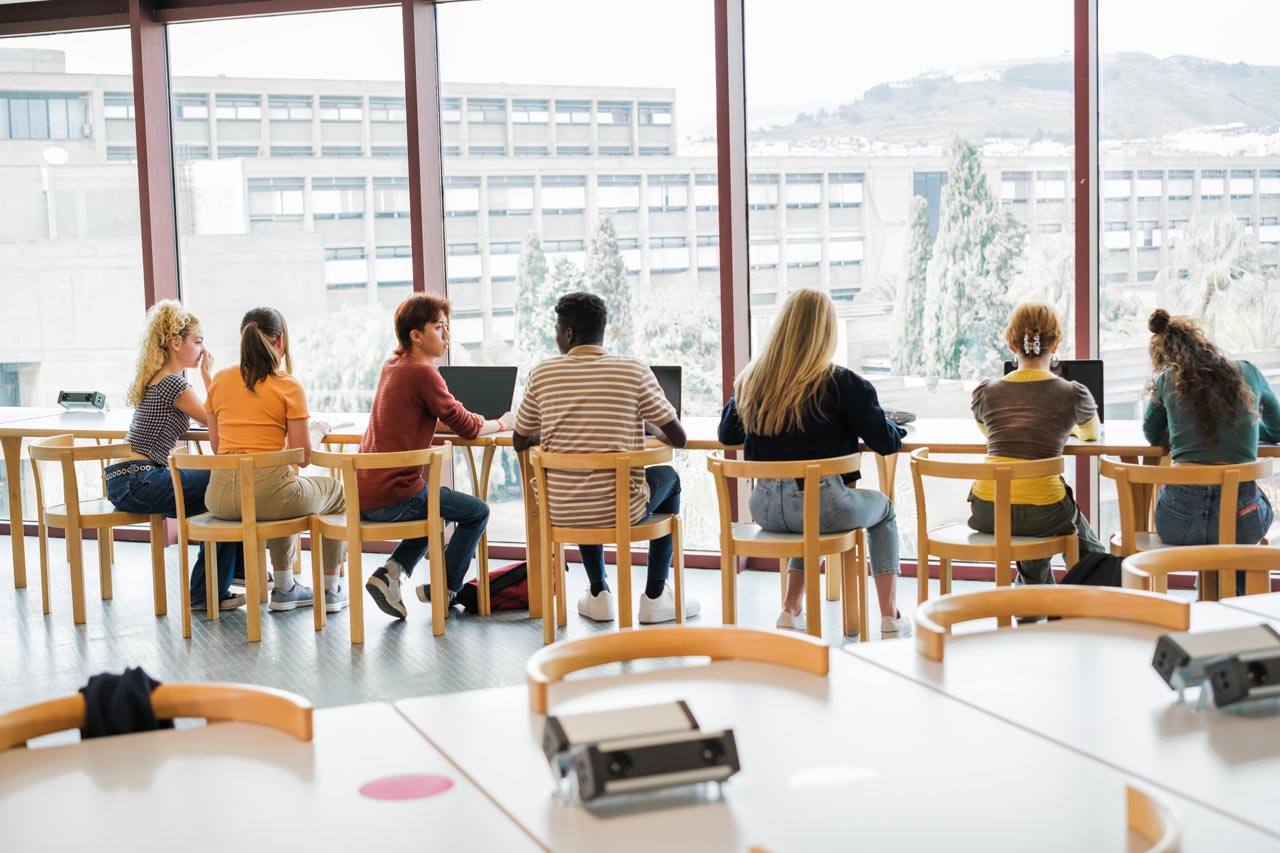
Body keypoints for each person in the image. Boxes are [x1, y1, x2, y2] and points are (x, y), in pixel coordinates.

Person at [719, 288, 909, 635]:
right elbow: (885, 443)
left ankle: (791, 608)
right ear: (827, 332)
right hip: (823, 508)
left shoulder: (751, 382)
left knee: (809, 516)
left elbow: (727, 434)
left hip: (764, 509)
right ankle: (890, 616)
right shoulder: (842, 384)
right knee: (882, 511)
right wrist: (894, 426)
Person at [512, 291, 699, 624]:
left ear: (569, 333)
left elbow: (519, 440)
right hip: (620, 510)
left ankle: (599, 593)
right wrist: (647, 425)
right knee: (669, 478)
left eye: (557, 329)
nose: (557, 336)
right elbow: (678, 438)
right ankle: (655, 595)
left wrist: (551, 431)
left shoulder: (542, 373)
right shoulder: (633, 370)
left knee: (585, 482)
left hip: (561, 508)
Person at [360, 294, 512, 621]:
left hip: (365, 493)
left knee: (436, 506)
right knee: (477, 512)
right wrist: (502, 423)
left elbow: (432, 415)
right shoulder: (423, 374)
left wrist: (460, 418)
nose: (447, 335)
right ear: (416, 335)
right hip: (394, 496)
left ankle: (391, 573)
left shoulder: (393, 366)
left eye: (447, 327)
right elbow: (469, 428)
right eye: (439, 327)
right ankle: (447, 588)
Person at [203, 307, 348, 613]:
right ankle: (330, 590)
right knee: (336, 492)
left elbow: (217, 446)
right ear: (280, 341)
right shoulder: (287, 385)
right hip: (266, 496)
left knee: (286, 487)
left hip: (219, 498)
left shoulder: (220, 380)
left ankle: (287, 588)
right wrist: (315, 432)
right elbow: (302, 456)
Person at [106, 300, 245, 612]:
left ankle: (220, 582)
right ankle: (224, 580)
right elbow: (215, 419)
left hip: (126, 479)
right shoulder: (173, 383)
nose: (203, 350)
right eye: (198, 341)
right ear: (176, 343)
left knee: (220, 499)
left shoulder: (160, 378)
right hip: (139, 479)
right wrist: (209, 376)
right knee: (228, 487)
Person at [967, 304, 1105, 588]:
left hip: (987, 509)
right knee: (1051, 507)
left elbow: (988, 432)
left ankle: (1032, 599)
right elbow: (1092, 434)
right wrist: (1065, 428)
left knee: (1034, 516)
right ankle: (1098, 581)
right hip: (1044, 510)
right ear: (1056, 344)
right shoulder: (1072, 393)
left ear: (1011, 344)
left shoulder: (986, 392)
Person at [1143, 308, 1280, 593]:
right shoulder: (1248, 371)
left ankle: (1210, 591)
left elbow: (1151, 433)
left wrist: (1181, 430)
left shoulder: (1168, 378)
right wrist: (1247, 432)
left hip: (1179, 522)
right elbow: (1277, 429)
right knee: (1238, 531)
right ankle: (1229, 599)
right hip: (1243, 520)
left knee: (1216, 536)